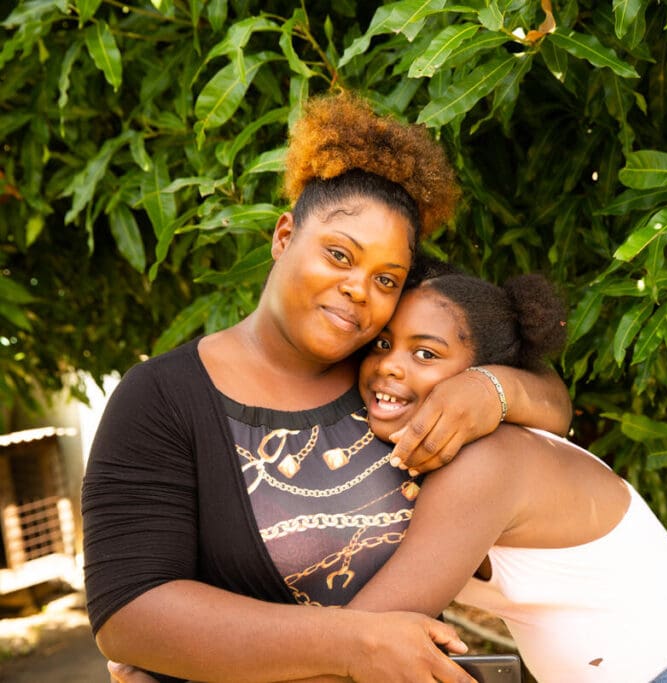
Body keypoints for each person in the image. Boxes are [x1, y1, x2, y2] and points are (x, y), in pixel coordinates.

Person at [82, 91, 572, 683]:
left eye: (386, 279)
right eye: (340, 255)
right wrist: (353, 645)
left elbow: (551, 403)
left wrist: (491, 389)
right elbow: (130, 611)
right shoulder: (162, 398)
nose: (359, 290)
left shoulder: (386, 373)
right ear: (284, 235)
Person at [339, 272, 667, 682]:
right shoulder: (430, 452)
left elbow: (364, 637)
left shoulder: (487, 464)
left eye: (426, 354)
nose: (389, 366)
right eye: (381, 343)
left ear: (482, 373)